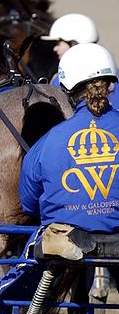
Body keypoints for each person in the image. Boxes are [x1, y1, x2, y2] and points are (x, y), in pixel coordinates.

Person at [20, 42, 119, 246]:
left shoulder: (48, 141)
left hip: (65, 248)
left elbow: (29, 203)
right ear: (110, 84)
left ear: (65, 88)